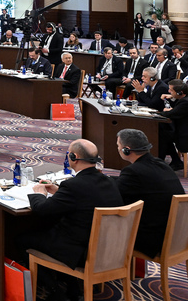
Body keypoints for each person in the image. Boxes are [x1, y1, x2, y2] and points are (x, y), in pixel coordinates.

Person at [19, 140, 123, 289]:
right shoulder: (110, 181)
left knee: (22, 239)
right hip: (110, 249)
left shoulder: (73, 186)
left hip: (80, 252)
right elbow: (87, 198)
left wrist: (39, 193)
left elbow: (41, 209)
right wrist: (59, 191)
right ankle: (70, 285)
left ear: (74, 157)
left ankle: (55, 291)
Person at [113, 128, 185, 257]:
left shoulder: (133, 171)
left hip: (152, 240)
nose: (117, 149)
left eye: (118, 145)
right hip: (178, 236)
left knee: (101, 225)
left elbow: (114, 196)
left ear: (126, 150)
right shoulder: (161, 164)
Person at [158, 79, 188, 170]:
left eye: (171, 90)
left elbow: (170, 114)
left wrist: (160, 112)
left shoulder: (185, 102)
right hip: (181, 130)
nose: (169, 91)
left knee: (163, 135)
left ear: (180, 92)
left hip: (184, 136)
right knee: (164, 133)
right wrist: (172, 97)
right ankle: (175, 161)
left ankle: (160, 162)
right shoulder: (184, 99)